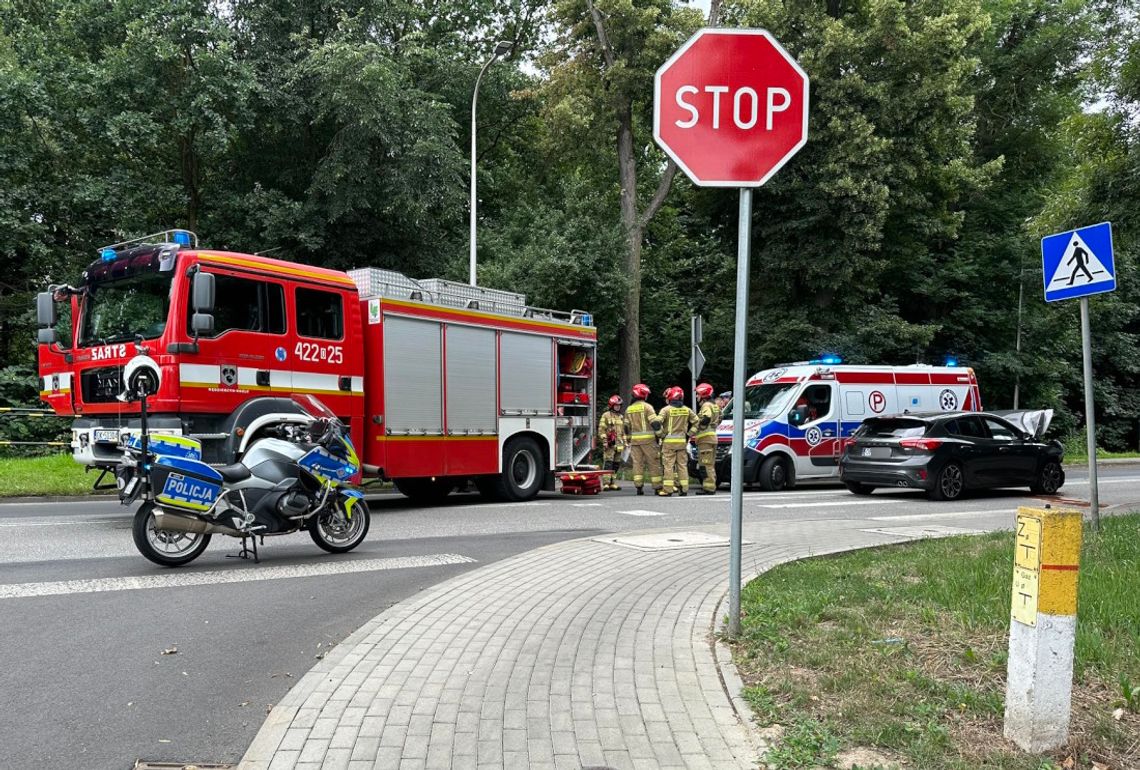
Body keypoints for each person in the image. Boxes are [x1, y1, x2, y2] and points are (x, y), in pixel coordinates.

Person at [655, 386, 698, 496]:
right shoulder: (687, 410)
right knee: (682, 465)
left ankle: (668, 490)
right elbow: (697, 422)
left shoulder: (665, 410)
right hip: (682, 442)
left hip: (668, 443)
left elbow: (656, 423)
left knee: (668, 466)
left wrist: (660, 435)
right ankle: (684, 489)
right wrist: (689, 434)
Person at [624, 384, 661, 495]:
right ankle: (657, 487)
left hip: (635, 442)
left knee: (637, 464)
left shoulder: (629, 409)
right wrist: (660, 435)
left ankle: (639, 487)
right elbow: (654, 423)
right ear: (643, 395)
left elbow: (626, 427)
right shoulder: (647, 407)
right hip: (649, 441)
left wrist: (629, 439)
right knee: (653, 463)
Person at [693, 383, 721, 495]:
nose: (696, 397)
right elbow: (721, 417)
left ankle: (709, 488)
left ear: (703, 394)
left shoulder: (706, 406)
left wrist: (698, 426)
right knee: (710, 464)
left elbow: (706, 418)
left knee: (705, 464)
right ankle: (711, 485)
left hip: (705, 439)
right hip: (712, 437)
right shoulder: (715, 405)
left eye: (697, 394)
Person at [597, 395, 629, 491]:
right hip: (610, 445)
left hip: (619, 445)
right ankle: (606, 483)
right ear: (611, 405)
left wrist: (626, 442)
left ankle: (612, 483)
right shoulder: (606, 415)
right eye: (616, 405)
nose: (618, 407)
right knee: (608, 463)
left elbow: (623, 432)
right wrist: (604, 441)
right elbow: (601, 430)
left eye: (619, 405)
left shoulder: (621, 417)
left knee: (616, 464)